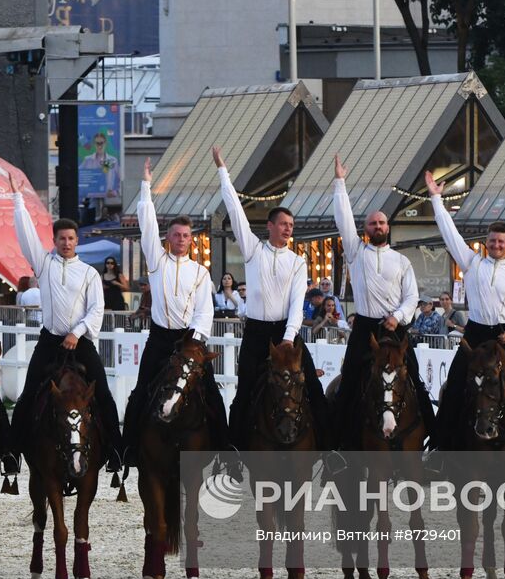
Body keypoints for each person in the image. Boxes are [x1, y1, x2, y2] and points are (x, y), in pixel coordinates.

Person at [214, 145, 328, 450]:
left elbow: (296, 303)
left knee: (313, 388)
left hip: (286, 333)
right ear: (271, 226)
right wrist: (223, 172)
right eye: (283, 224)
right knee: (245, 390)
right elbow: (236, 213)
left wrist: (290, 337)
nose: (288, 229)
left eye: (291, 226)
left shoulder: (297, 261)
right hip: (257, 332)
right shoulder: (253, 251)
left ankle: (330, 449)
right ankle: (234, 451)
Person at [7, 175, 122, 474]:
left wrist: (77, 332)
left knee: (103, 394)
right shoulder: (44, 264)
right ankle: (12, 453)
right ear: (54, 240)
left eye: (71, 239)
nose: (67, 243)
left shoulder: (88, 273)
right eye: (62, 239)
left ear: (77, 240)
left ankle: (116, 452)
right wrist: (18, 200)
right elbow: (26, 237)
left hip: (80, 342)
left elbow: (97, 308)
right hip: (50, 341)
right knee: (29, 392)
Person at [120, 159, 229, 467]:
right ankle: (126, 450)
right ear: (168, 238)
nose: (181, 240)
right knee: (142, 391)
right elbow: (147, 222)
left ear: (191, 239)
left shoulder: (200, 271)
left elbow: (204, 311)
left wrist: (195, 340)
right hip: (160, 337)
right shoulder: (157, 260)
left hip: (190, 342)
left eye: (186, 236)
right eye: (176, 235)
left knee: (212, 393)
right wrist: (145, 186)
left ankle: (225, 454)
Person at [426, 171, 505, 449]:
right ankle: (441, 447)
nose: (496, 245)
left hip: (504, 336)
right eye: (492, 241)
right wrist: (436, 200)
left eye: (501, 242)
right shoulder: (472, 263)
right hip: (475, 334)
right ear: (485, 242)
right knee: (453, 388)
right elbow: (450, 236)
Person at [329, 155, 433, 448]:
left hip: (395, 329)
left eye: (382, 222)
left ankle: (431, 437)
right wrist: (340, 182)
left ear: (388, 227)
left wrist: (398, 317)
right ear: (366, 229)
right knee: (349, 381)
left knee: (414, 381)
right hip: (365, 327)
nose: (378, 226)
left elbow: (412, 296)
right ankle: (338, 444)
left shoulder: (401, 261)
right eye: (373, 223)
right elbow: (343, 219)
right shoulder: (355, 252)